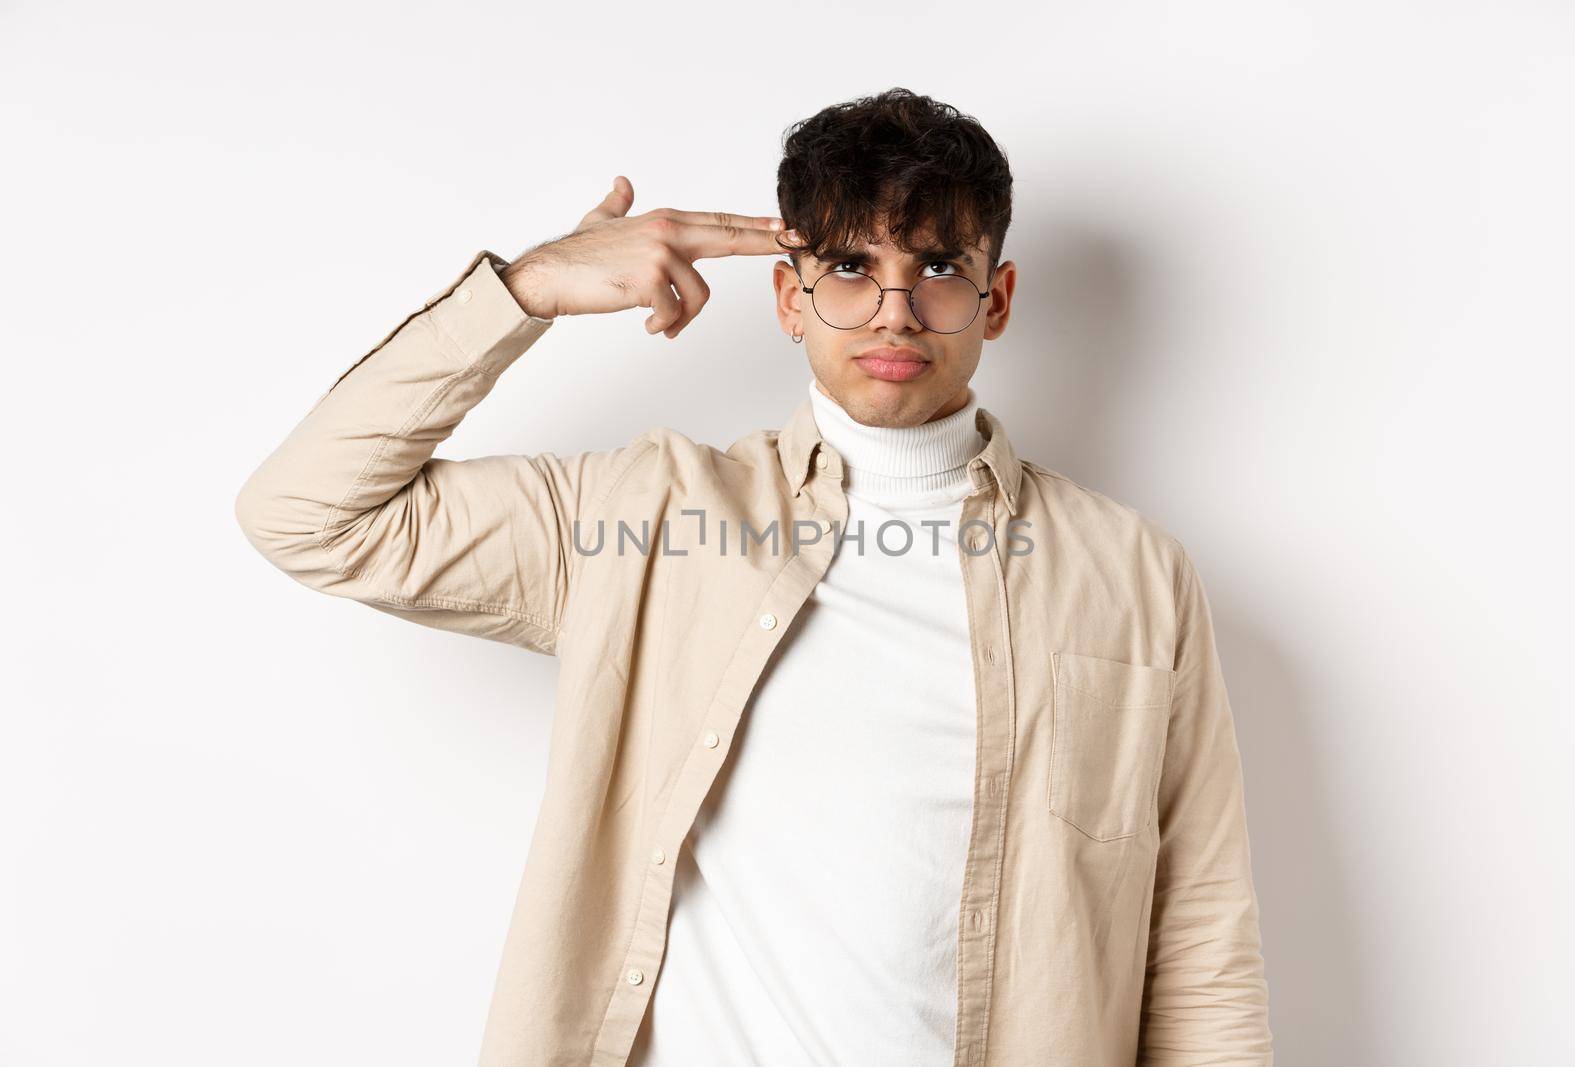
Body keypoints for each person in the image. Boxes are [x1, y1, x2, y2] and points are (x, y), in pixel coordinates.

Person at [235, 87, 1273, 1067]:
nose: (895, 312)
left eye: (940, 267)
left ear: (996, 299)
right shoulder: (643, 517)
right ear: (789, 294)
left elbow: (1196, 936)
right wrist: (528, 289)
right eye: (852, 268)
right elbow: (309, 513)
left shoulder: (1130, 571)